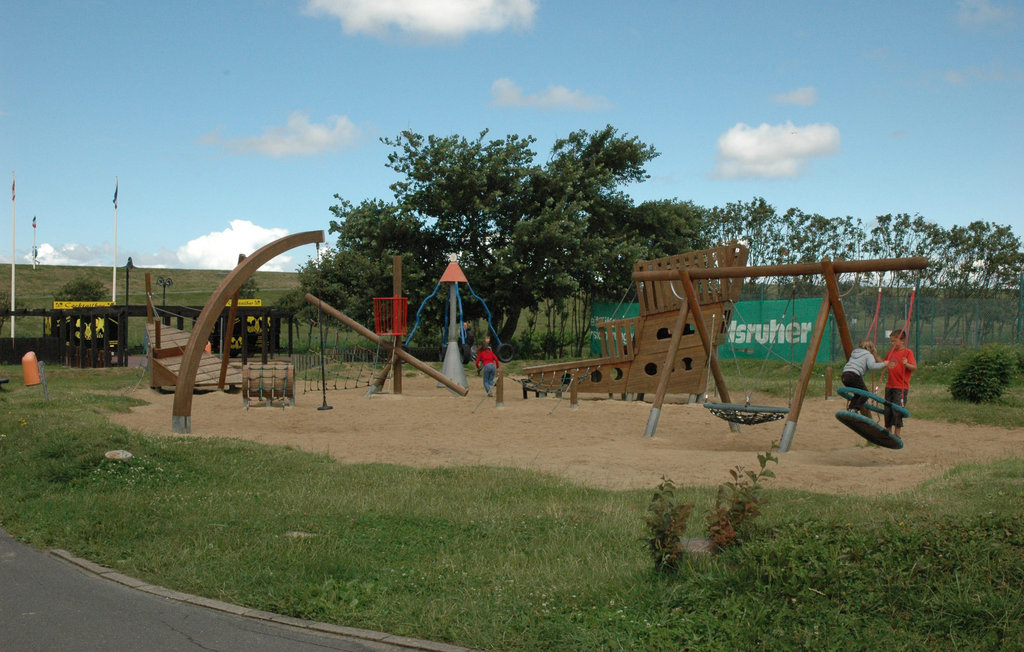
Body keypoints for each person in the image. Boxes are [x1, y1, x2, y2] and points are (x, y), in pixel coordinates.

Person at [883, 329, 917, 437]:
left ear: (902, 341)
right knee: (887, 409)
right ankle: (888, 431)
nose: (892, 344)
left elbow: (914, 367)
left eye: (894, 341)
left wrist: (907, 364)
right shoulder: (891, 352)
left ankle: (897, 434)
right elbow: (884, 362)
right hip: (889, 385)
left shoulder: (908, 352)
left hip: (901, 387)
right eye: (891, 341)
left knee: (897, 410)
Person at [841, 340, 888, 416]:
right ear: (871, 349)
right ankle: (854, 409)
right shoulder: (868, 355)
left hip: (844, 375)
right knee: (865, 394)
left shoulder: (854, 353)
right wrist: (883, 364)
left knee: (858, 394)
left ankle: (850, 408)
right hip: (854, 375)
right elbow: (872, 366)